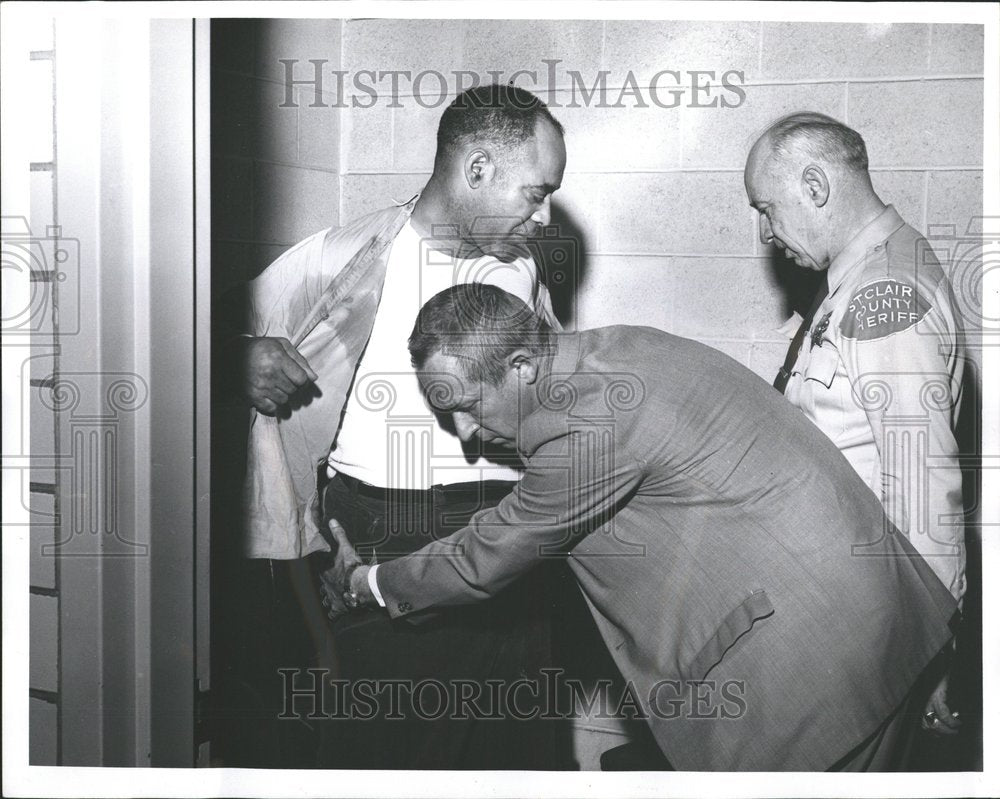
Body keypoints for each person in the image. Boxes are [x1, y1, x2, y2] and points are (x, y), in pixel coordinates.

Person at [325, 283, 959, 771]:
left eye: (466, 407)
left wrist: (365, 581)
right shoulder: (617, 348)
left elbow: (485, 558)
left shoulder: (584, 428)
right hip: (873, 616)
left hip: (817, 671)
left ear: (520, 366)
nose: (464, 434)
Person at [236, 85, 569, 768]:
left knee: (518, 759)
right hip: (388, 539)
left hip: (512, 534)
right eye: (535, 193)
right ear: (477, 170)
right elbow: (184, 321)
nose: (543, 218)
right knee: (388, 761)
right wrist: (236, 354)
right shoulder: (346, 256)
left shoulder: (525, 266)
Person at [744, 113, 966, 743]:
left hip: (867, 621)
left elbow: (922, 490)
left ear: (816, 186)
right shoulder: (861, 272)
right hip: (838, 604)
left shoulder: (883, 292)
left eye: (766, 207)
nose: (764, 231)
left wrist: (928, 652)